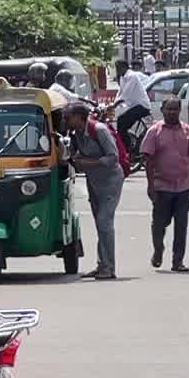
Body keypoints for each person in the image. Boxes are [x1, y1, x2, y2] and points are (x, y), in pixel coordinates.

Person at [64, 101, 124, 280]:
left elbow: (113, 157)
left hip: (110, 181)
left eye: (69, 117)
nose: (66, 120)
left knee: (105, 222)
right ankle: (102, 264)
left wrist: (89, 163)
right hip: (94, 182)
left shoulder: (99, 130)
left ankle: (109, 268)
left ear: (79, 117)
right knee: (100, 224)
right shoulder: (76, 134)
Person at [140, 96, 189, 272]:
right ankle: (158, 249)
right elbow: (148, 161)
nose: (172, 112)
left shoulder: (187, 131)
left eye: (175, 109)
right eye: (168, 109)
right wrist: (150, 186)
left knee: (181, 225)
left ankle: (178, 261)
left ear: (180, 111)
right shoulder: (154, 132)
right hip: (162, 187)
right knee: (159, 224)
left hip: (184, 186)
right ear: (162, 110)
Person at [110, 59, 151, 153]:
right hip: (133, 106)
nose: (117, 70)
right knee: (120, 121)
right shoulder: (122, 77)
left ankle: (128, 150)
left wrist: (114, 105)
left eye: (118, 68)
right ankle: (125, 144)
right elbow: (119, 93)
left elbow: (126, 94)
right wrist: (112, 104)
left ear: (124, 67)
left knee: (122, 124)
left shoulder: (132, 76)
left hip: (142, 106)